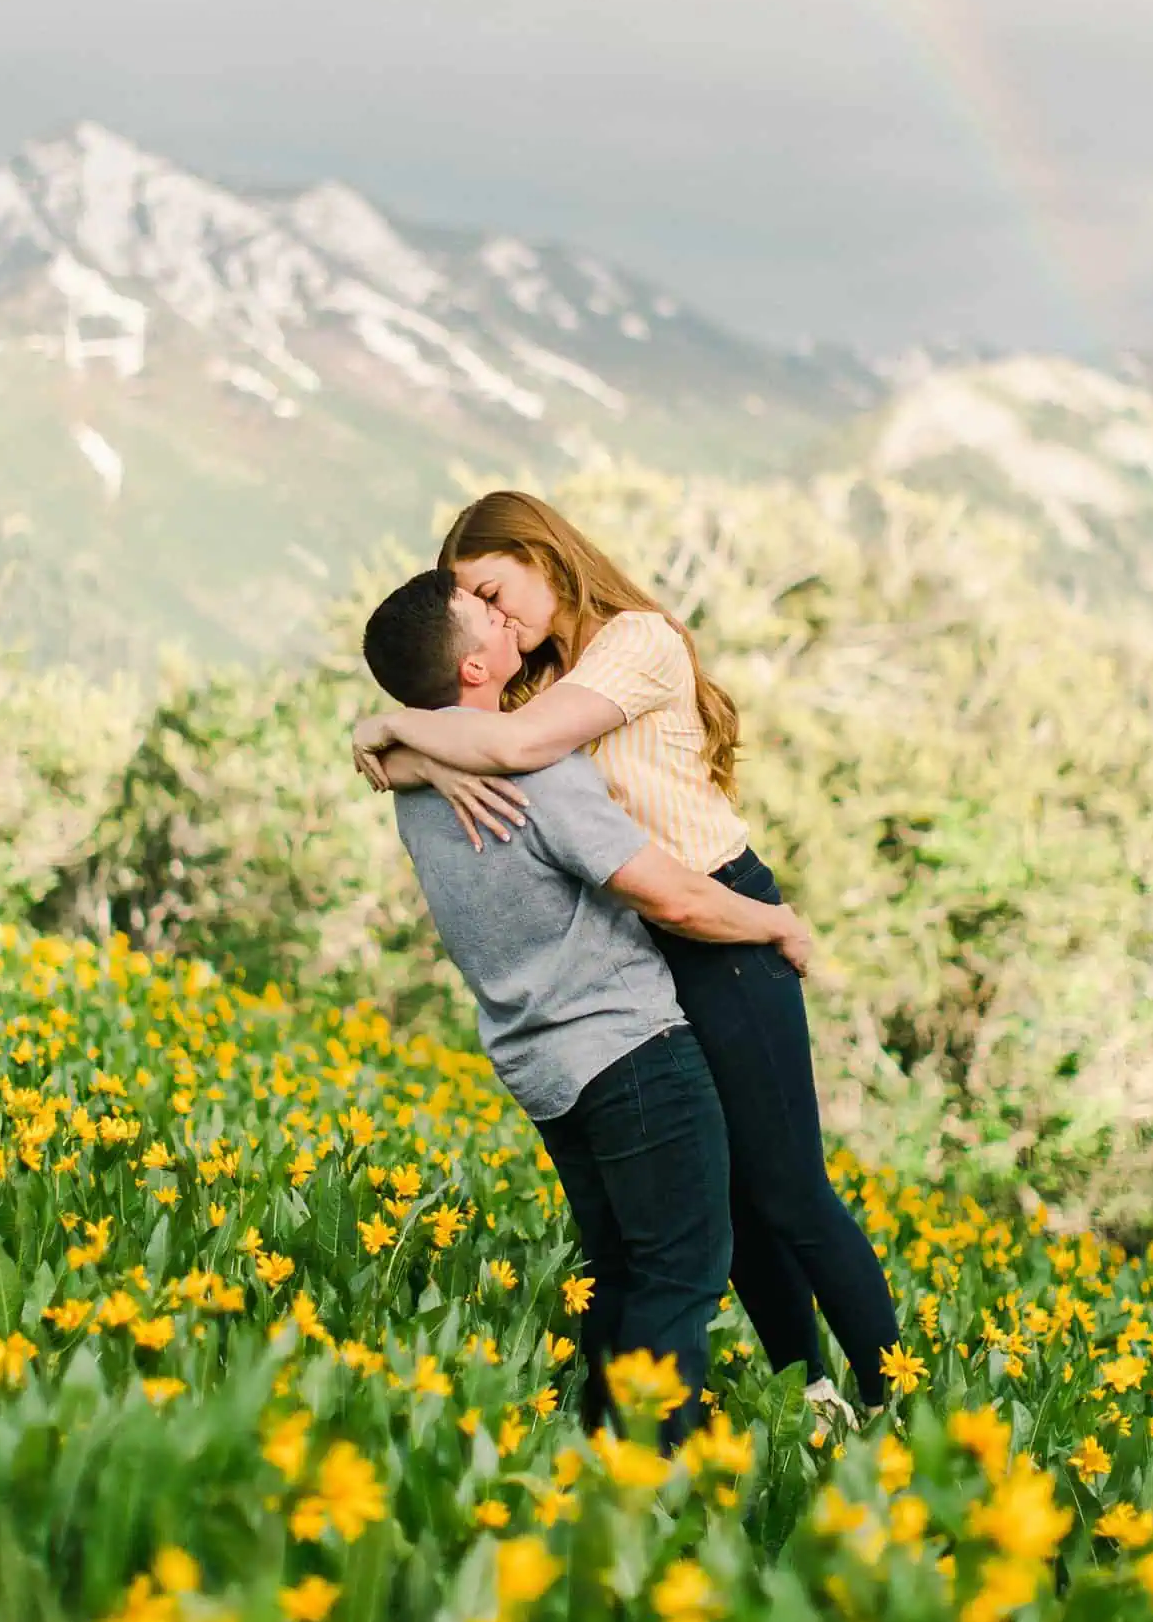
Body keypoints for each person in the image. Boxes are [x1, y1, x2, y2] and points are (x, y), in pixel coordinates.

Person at [353, 490, 900, 1428]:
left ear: (539, 552)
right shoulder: (530, 681)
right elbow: (464, 727)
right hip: (651, 942)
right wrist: (399, 741)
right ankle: (806, 1394)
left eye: (494, 586)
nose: (497, 611)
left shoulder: (634, 643)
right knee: (725, 1197)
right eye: (477, 606)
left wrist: (395, 733)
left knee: (788, 1193)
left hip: (722, 914)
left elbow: (509, 745)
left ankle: (900, 1397)